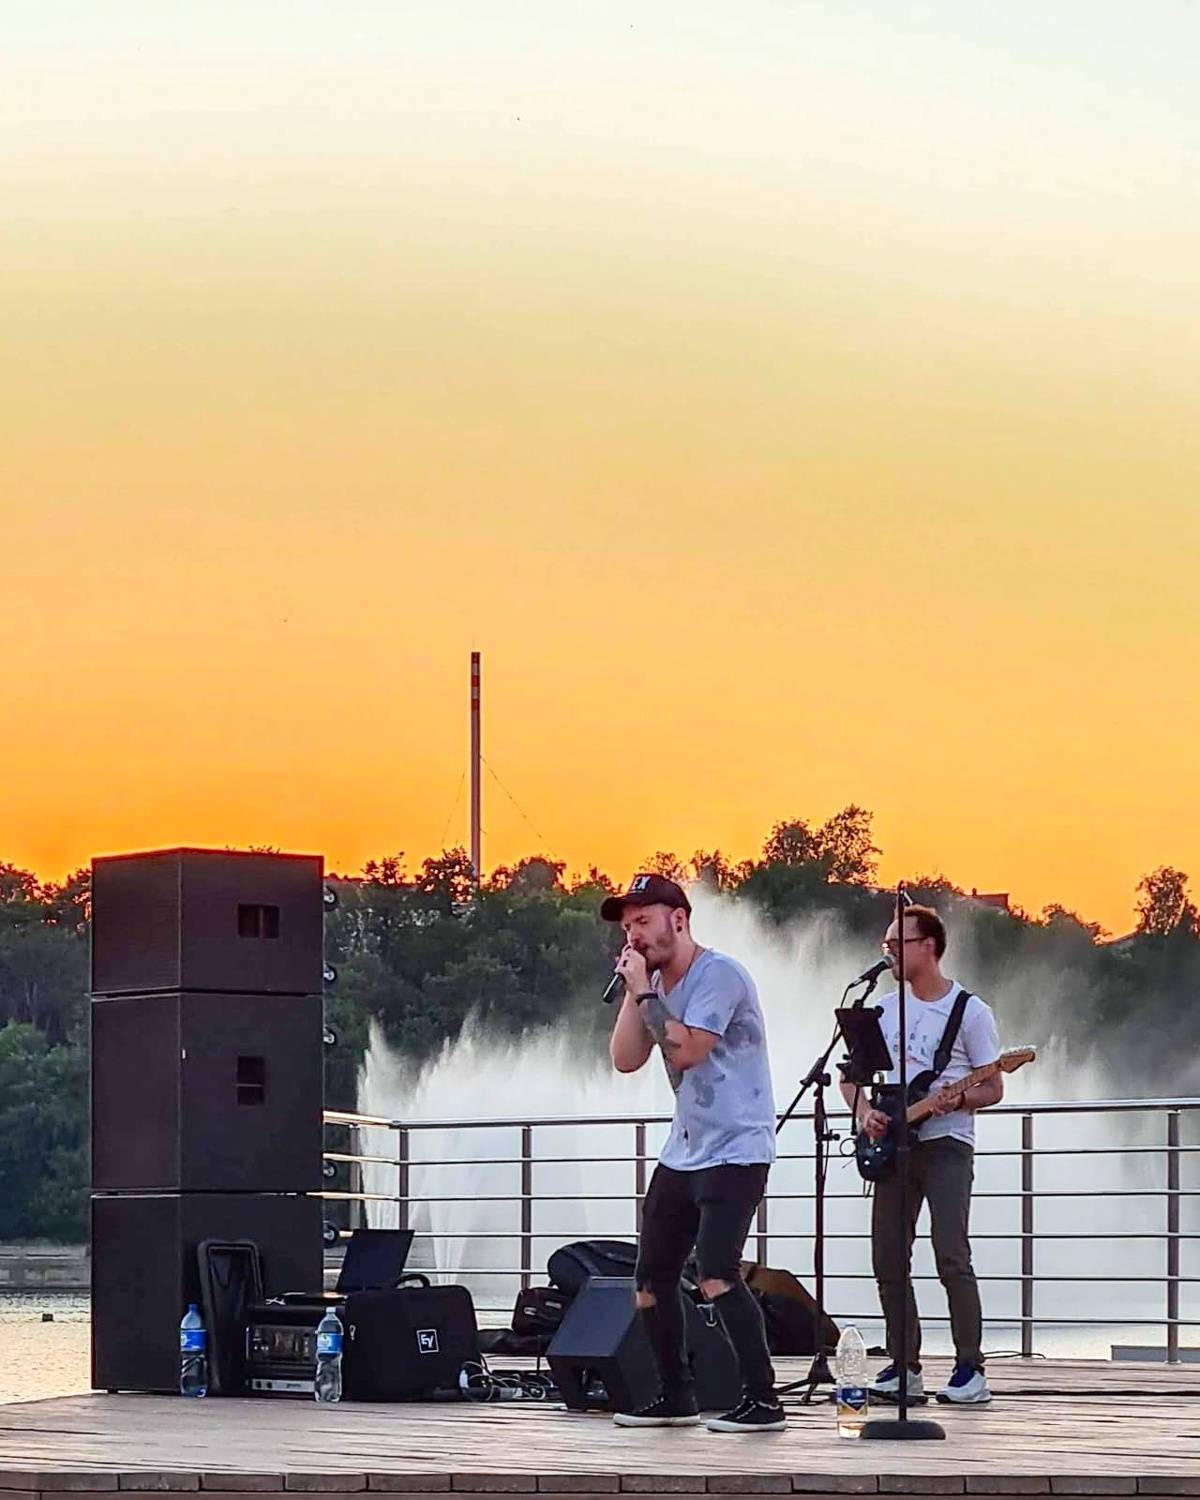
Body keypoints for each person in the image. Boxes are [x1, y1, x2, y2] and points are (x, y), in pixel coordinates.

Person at [603, 873, 783, 1433]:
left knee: (716, 1273)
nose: (633, 935)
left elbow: (686, 1050)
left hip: (737, 1146)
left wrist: (646, 994)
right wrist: (635, 991)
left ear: (678, 920)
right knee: (649, 1280)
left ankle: (763, 1401)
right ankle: (675, 1396)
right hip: (684, 1149)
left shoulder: (718, 975)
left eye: (643, 921)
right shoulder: (651, 985)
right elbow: (625, 1059)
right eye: (627, 927)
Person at [840, 903, 1002, 1406]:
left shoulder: (969, 1011)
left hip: (947, 1143)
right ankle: (904, 1364)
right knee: (888, 1256)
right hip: (894, 1145)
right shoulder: (884, 1009)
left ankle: (970, 1367)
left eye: (898, 943)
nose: (889, 952)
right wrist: (865, 1113)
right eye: (885, 944)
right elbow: (850, 1079)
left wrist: (959, 1099)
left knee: (951, 1252)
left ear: (928, 946)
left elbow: (993, 1086)